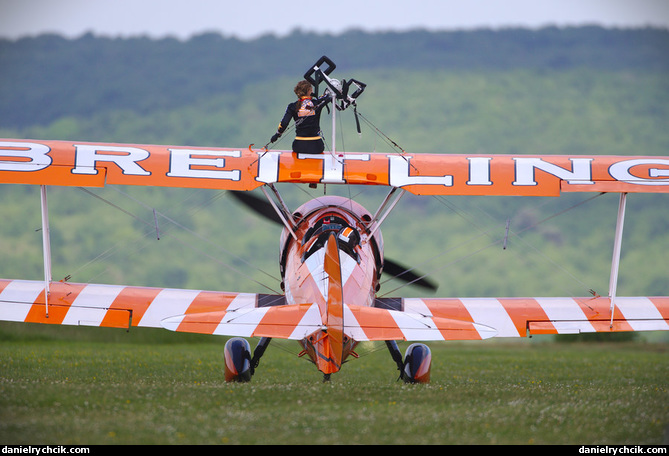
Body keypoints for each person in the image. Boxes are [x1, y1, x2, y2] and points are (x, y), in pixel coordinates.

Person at [270, 80, 330, 154]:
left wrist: (277, 135)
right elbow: (327, 97)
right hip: (316, 146)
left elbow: (284, 124)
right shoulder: (316, 103)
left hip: (299, 146)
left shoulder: (292, 106)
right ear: (309, 91)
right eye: (311, 90)